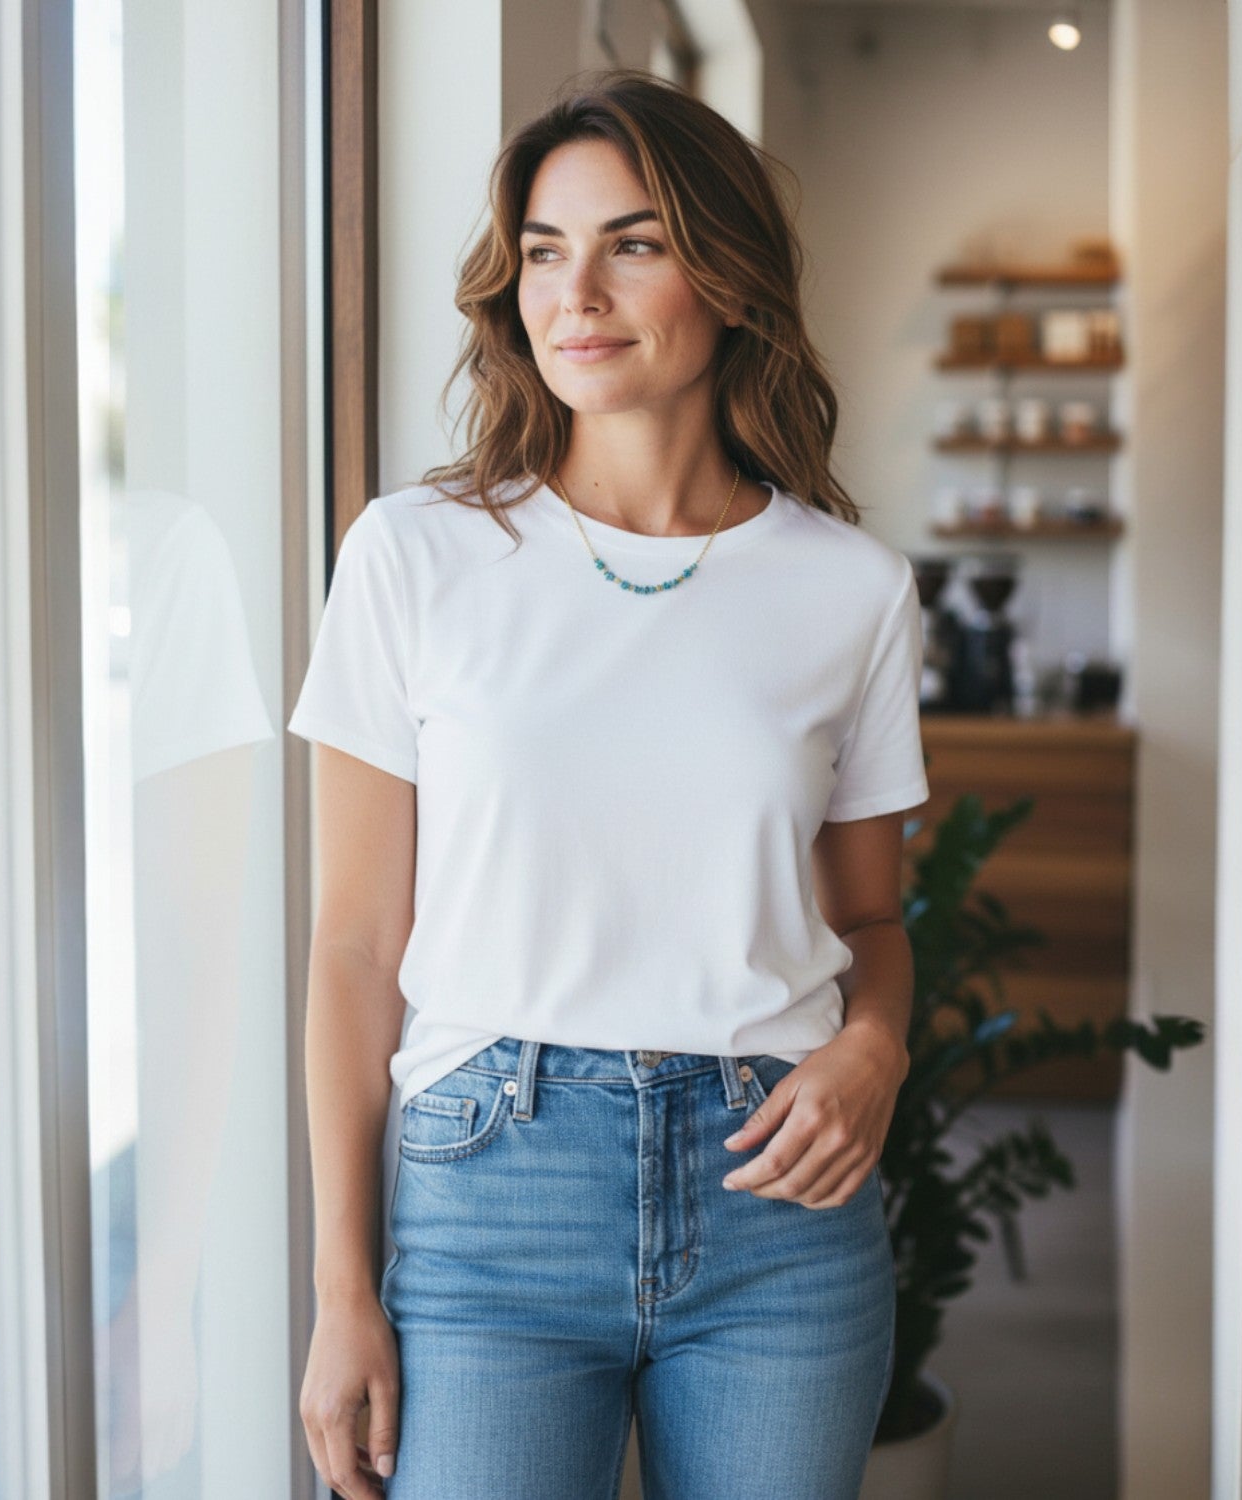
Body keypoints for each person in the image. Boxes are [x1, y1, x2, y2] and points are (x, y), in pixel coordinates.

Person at [290, 68, 930, 1500]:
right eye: (543, 251)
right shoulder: (414, 555)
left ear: (731, 277)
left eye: (633, 244)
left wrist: (874, 1049)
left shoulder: (853, 589)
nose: (575, 292)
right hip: (492, 1193)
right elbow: (355, 945)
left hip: (781, 1196)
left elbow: (872, 925)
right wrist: (342, 1290)